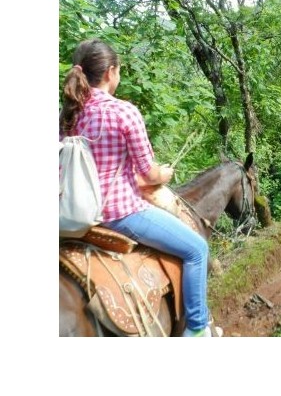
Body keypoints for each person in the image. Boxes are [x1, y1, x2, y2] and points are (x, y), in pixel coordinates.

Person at [59, 38, 221, 338]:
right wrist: (165, 174)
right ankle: (197, 329)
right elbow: (148, 173)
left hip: (71, 215)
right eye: (118, 71)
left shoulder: (68, 114)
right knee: (197, 249)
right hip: (119, 214)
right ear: (110, 72)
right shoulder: (123, 112)